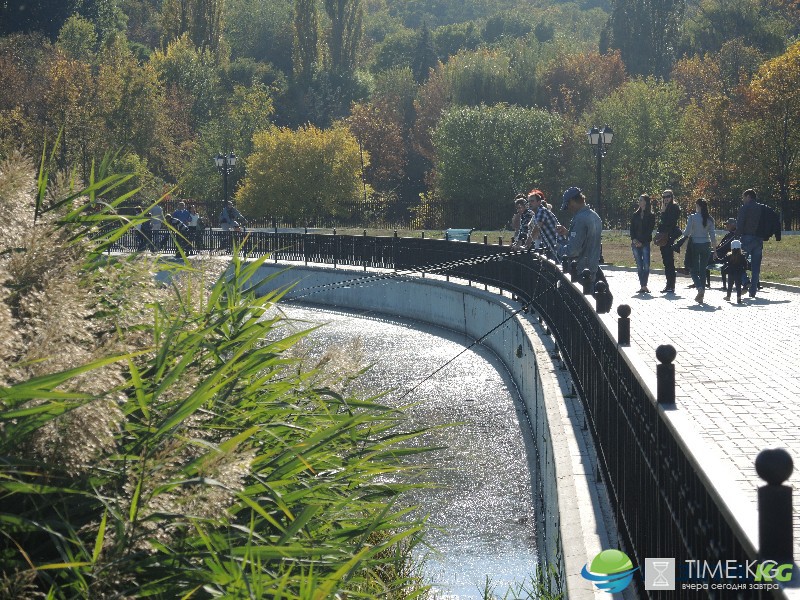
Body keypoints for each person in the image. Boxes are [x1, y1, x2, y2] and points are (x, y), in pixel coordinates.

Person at [557, 187, 602, 285]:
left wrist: (557, 248)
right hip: (592, 267)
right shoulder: (594, 216)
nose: (569, 208)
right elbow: (586, 240)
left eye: (567, 205)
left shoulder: (580, 219)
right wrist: (568, 233)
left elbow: (573, 250)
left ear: (572, 201)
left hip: (580, 270)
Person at [677, 198, 716, 303]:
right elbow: (712, 236)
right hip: (706, 245)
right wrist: (715, 250)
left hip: (695, 245)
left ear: (698, 206)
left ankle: (699, 288)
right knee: (703, 270)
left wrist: (680, 236)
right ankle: (701, 296)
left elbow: (686, 232)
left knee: (693, 269)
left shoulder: (693, 217)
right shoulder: (710, 219)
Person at [736, 188, 763, 298]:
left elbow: (740, 223)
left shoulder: (745, 208)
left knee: (738, 261)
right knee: (756, 267)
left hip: (746, 238)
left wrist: (736, 237)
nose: (743, 199)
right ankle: (753, 291)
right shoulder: (761, 208)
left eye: (744, 197)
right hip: (759, 239)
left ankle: (745, 281)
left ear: (748, 196)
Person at [629, 194, 656, 293]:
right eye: (639, 200)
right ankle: (642, 286)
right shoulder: (635, 215)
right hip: (635, 243)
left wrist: (642, 242)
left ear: (645, 202)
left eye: (641, 200)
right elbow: (632, 229)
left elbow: (649, 230)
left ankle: (645, 285)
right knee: (639, 265)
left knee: (646, 264)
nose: (639, 202)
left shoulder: (651, 215)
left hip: (645, 243)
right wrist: (634, 239)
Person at [655, 189, 681, 294]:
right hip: (663, 237)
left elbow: (669, 222)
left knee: (669, 261)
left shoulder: (674, 207)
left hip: (669, 237)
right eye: (664, 197)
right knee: (666, 261)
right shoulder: (664, 208)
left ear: (671, 197)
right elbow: (661, 223)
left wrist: (664, 212)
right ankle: (668, 284)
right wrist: (663, 212)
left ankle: (671, 285)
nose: (666, 199)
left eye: (668, 196)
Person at [527, 189, 564, 258]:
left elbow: (536, 229)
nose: (530, 203)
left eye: (532, 201)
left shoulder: (541, 211)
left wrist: (526, 245)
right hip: (552, 245)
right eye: (529, 201)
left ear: (539, 202)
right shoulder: (536, 213)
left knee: (558, 264)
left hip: (557, 245)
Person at [714, 217, 738, 289]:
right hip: (723, 254)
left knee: (706, 258)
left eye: (728, 224)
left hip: (727, 256)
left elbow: (724, 246)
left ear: (733, 225)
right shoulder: (729, 234)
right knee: (707, 256)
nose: (726, 226)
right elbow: (721, 245)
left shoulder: (733, 235)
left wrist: (715, 250)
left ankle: (699, 280)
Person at [724, 239, 747, 304]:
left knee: (730, 285)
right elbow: (745, 264)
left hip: (731, 272)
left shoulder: (729, 255)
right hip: (739, 272)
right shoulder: (742, 256)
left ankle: (728, 296)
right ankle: (738, 298)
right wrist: (744, 269)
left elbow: (724, 261)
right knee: (738, 285)